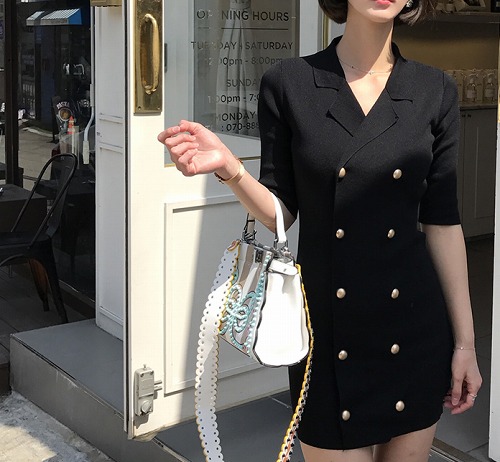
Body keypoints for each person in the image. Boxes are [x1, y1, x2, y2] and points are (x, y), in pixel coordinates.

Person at [158, 0, 483, 460]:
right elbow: (281, 212)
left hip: (413, 327)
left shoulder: (434, 90)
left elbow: (443, 223)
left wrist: (465, 343)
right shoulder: (290, 83)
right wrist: (231, 168)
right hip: (328, 330)